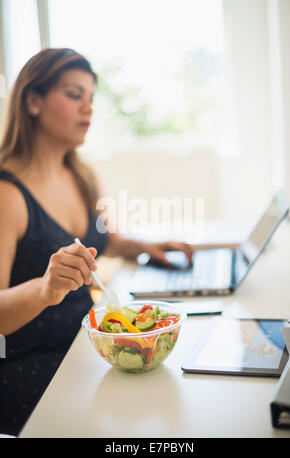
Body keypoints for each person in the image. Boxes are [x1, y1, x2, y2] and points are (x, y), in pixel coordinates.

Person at [0, 48, 193, 436]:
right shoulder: (7, 194)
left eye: (91, 99)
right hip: (40, 370)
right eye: (74, 95)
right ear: (33, 100)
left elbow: (104, 239)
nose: (88, 108)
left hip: (88, 349)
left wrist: (145, 245)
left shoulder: (82, 175)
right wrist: (45, 288)